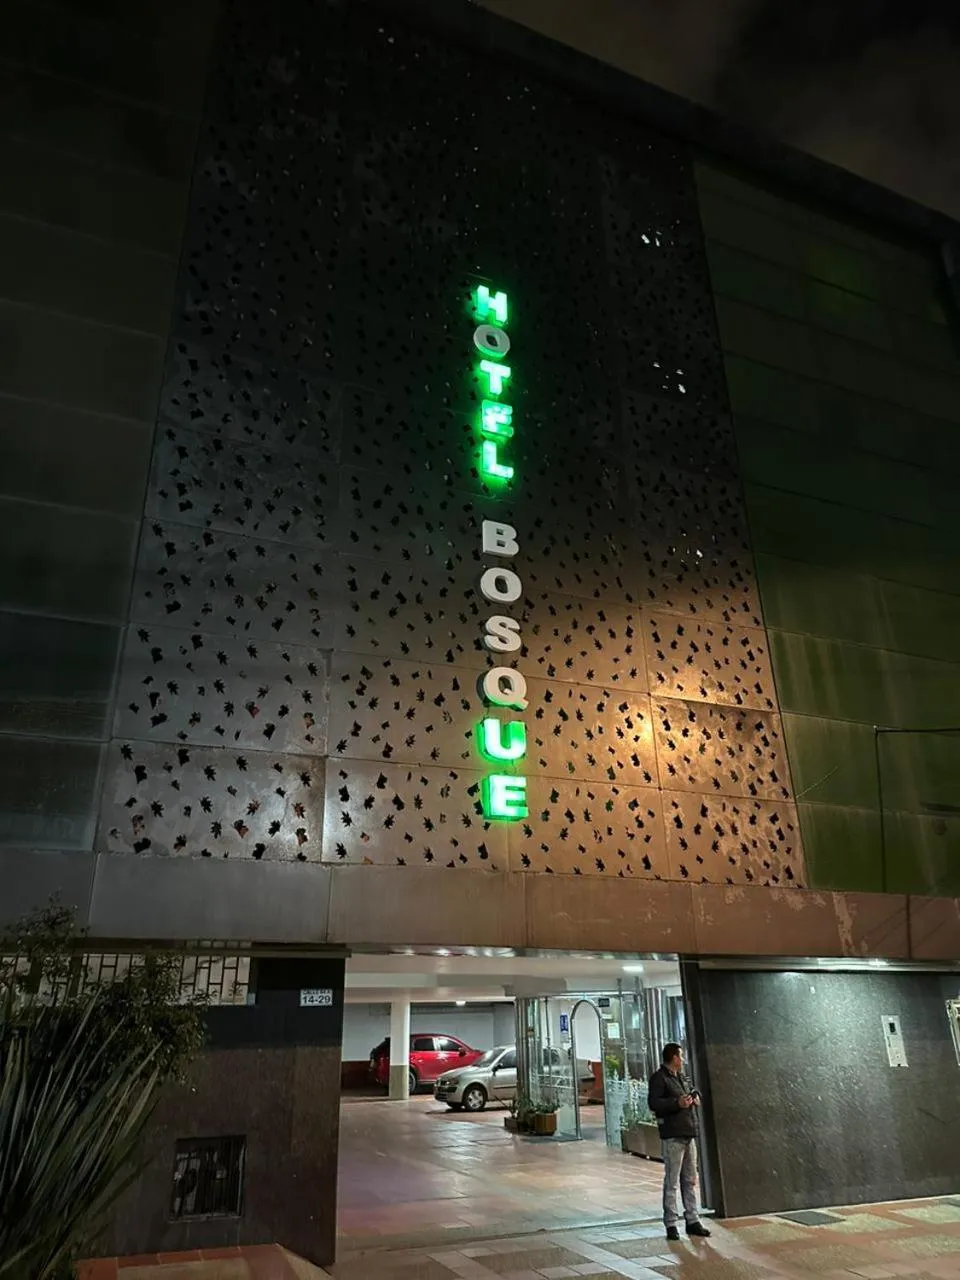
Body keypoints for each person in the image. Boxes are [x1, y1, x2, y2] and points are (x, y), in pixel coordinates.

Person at [647, 1042, 710, 1241]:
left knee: (690, 1180)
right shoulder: (659, 1078)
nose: (682, 1060)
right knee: (672, 1181)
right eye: (680, 1056)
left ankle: (692, 1220)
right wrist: (677, 1103)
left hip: (688, 1133)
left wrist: (695, 1096)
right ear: (674, 1058)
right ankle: (671, 1223)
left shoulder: (681, 1077)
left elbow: (693, 1089)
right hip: (673, 1135)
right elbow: (654, 1103)